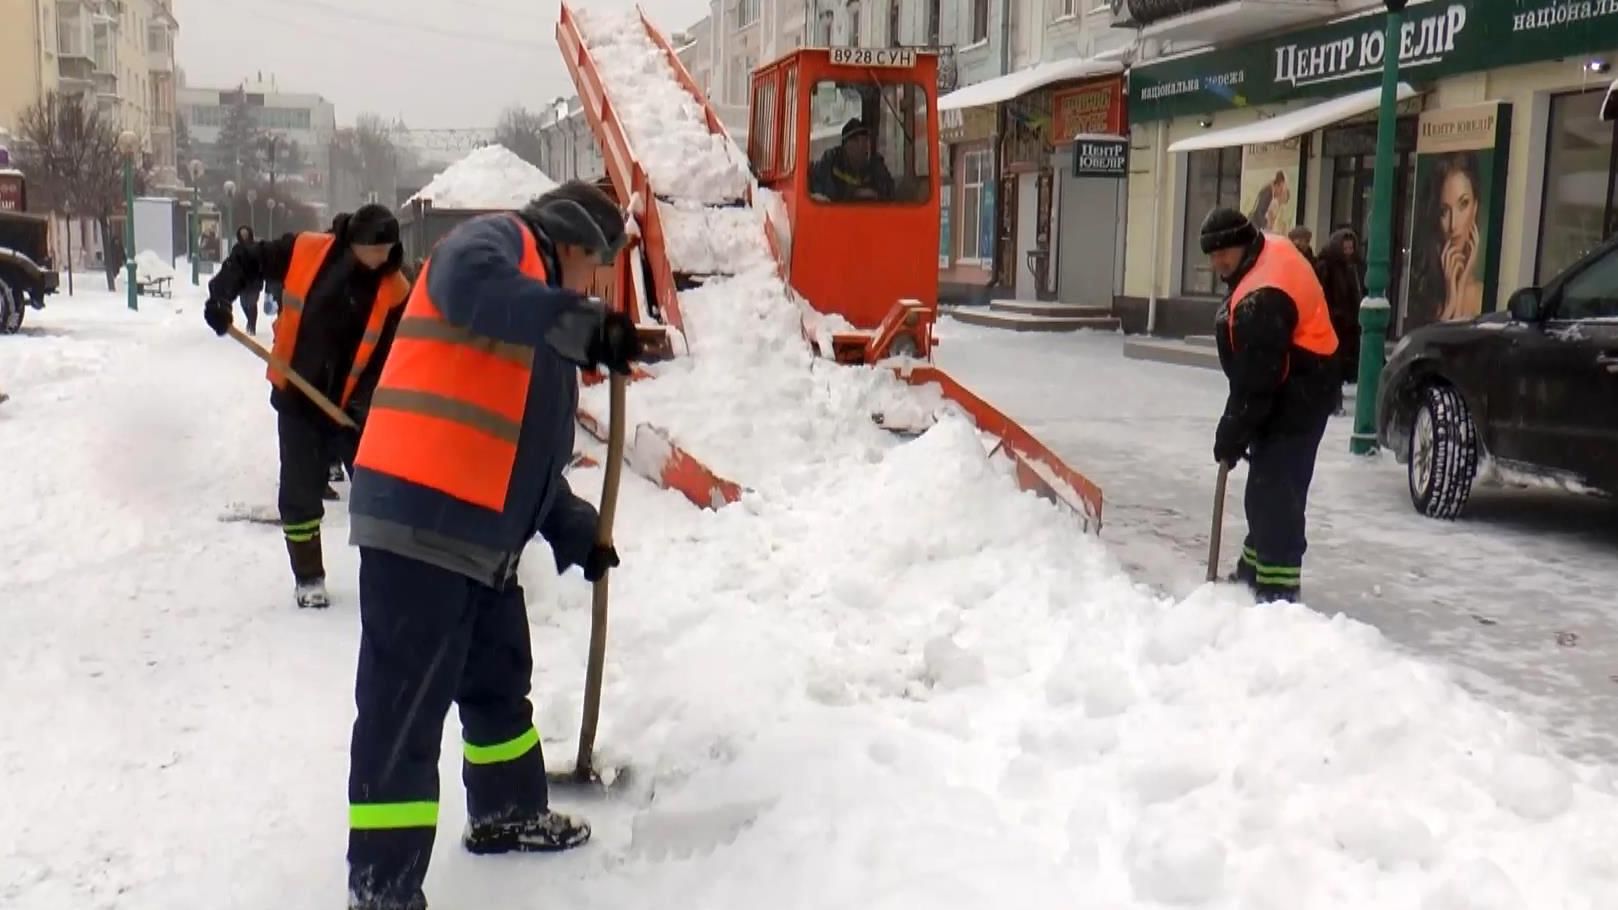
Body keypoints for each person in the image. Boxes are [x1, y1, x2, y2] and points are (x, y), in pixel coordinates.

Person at [342, 180, 644, 910]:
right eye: (597, 270)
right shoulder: (496, 243)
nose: (597, 287)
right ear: (573, 243)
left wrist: (577, 531)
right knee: (404, 714)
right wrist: (581, 321)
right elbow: (467, 284)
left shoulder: (541, 325)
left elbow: (528, 459)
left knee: (499, 682)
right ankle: (382, 888)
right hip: (421, 522)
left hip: (477, 539)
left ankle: (506, 811)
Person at [202, 204, 411, 609]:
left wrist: (365, 405)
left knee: (378, 494)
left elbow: (392, 356)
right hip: (299, 395)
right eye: (374, 251)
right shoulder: (307, 250)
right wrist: (220, 296)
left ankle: (388, 578)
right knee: (298, 490)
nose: (380, 260)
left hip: (352, 411)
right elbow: (250, 259)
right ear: (354, 242)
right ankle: (309, 577)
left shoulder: (396, 290)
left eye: (387, 251)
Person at [1200, 207, 1338, 604]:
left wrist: (1234, 428)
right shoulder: (1266, 253)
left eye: (1223, 253)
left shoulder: (1264, 296)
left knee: (1276, 492)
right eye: (1212, 255)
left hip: (1299, 395)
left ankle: (1277, 593)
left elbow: (1257, 379)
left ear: (1244, 244)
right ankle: (1254, 572)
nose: (1217, 263)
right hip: (1295, 387)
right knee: (1266, 489)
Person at [1315, 228, 1364, 411]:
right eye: (1346, 248)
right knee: (1334, 364)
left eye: (1351, 248)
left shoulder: (1355, 266)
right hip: (1334, 322)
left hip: (1349, 324)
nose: (1349, 252)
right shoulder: (1327, 266)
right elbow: (1322, 293)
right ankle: (1333, 401)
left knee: (1343, 364)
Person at [810, 119, 895, 202]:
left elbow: (889, 192)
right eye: (859, 141)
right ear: (847, 144)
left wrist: (877, 195)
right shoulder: (830, 162)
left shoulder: (875, 164)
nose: (866, 147)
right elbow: (822, 194)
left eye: (867, 141)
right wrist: (852, 194)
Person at [230, 225, 265, 335]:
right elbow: (232, 262)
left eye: (246, 233)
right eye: (242, 234)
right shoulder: (236, 248)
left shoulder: (256, 246)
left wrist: (261, 275)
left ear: (250, 234)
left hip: (254, 280)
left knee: (252, 303)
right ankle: (249, 320)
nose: (244, 236)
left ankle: (252, 325)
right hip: (242, 281)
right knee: (244, 303)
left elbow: (262, 262)